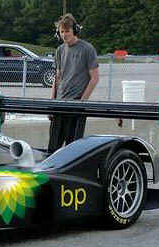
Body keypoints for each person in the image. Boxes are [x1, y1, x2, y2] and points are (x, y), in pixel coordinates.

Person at [48, 13, 99, 152]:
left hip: (77, 105)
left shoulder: (87, 49)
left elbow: (94, 78)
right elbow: (57, 77)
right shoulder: (59, 50)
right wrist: (51, 102)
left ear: (74, 30)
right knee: (53, 148)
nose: (64, 34)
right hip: (59, 105)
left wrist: (82, 101)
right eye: (62, 32)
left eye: (67, 31)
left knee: (73, 150)